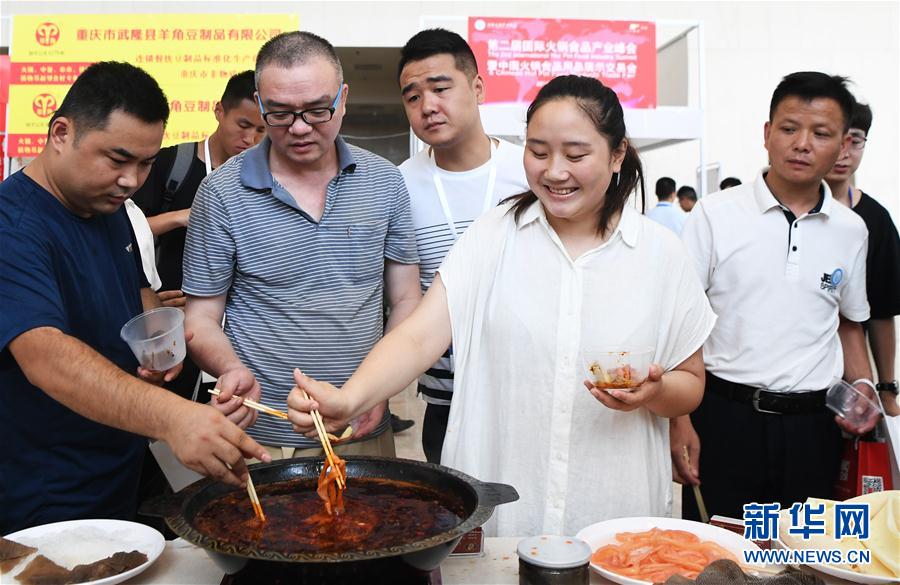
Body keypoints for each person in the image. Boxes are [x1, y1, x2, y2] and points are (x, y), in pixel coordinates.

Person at [287, 75, 716, 537]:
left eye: (575, 155)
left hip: (611, 510)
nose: (554, 171)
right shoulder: (493, 236)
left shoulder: (660, 254)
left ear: (616, 155)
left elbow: (690, 383)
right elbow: (419, 336)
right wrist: (349, 398)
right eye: (537, 151)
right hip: (506, 508)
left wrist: (652, 393)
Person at [0, 62, 269, 534]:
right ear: (61, 132)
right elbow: (44, 355)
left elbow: (143, 305)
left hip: (121, 469)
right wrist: (174, 417)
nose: (131, 180)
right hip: (42, 488)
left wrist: (198, 360)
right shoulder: (13, 226)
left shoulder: (114, 211)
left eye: (145, 163)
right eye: (117, 159)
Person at [183, 31, 421, 461]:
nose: (299, 128)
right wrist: (230, 369)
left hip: (359, 425)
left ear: (343, 98)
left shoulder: (385, 182)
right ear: (259, 103)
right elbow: (201, 317)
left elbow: (406, 299)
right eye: (279, 113)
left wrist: (378, 389)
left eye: (317, 110)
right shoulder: (220, 192)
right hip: (259, 430)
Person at [671, 72, 879, 523]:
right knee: (719, 557)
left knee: (804, 557)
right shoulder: (714, 215)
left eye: (820, 133)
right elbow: (680, 320)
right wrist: (679, 418)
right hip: (724, 418)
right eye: (789, 129)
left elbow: (849, 321)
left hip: (815, 427)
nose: (802, 144)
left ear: (843, 145)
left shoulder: (852, 229)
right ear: (767, 135)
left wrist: (865, 386)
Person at [397, 28, 529, 463]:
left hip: (525, 388)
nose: (427, 106)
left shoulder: (529, 173)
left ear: (477, 87)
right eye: (412, 97)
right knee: (457, 523)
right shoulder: (398, 184)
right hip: (444, 399)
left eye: (440, 87)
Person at [132, 70, 265, 401]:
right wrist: (182, 217)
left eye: (262, 130)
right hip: (175, 315)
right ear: (219, 111)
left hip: (236, 328)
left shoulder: (260, 179)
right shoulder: (170, 163)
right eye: (243, 125)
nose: (250, 139)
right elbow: (132, 228)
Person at [824, 101, 900, 416]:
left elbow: (882, 312)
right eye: (836, 138)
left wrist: (886, 387)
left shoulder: (875, 220)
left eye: (855, 140)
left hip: (855, 384)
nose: (844, 152)